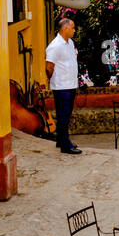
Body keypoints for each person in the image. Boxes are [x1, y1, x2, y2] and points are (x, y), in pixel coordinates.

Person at [45, 16, 82, 155]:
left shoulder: (70, 43)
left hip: (70, 84)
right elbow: (49, 67)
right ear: (65, 28)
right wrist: (53, 79)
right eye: (72, 28)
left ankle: (61, 140)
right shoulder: (55, 46)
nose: (74, 30)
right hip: (61, 86)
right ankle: (66, 146)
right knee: (63, 115)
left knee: (66, 114)